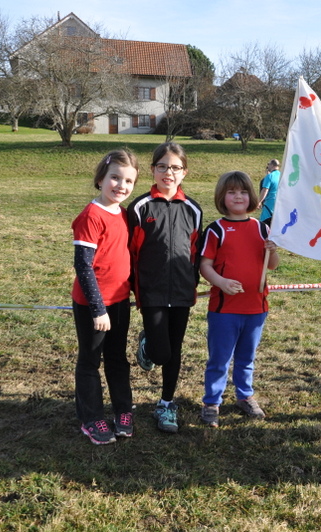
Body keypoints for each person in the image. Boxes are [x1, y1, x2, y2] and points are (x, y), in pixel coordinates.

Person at [128, 142, 204, 434]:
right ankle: (148, 342)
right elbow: (131, 251)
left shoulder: (193, 209)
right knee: (160, 353)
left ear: (184, 172)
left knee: (174, 350)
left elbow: (195, 251)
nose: (168, 173)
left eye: (175, 167)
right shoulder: (140, 207)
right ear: (153, 170)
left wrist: (192, 281)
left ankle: (167, 403)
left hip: (182, 292)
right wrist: (135, 285)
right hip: (152, 291)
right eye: (162, 166)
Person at [199, 171, 280, 428]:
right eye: (232, 192)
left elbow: (273, 265)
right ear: (222, 197)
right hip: (225, 310)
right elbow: (205, 265)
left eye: (244, 192)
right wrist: (221, 282)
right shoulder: (216, 230)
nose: (238, 196)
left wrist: (273, 250)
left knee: (247, 358)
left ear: (252, 196)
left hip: (256, 308)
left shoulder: (262, 228)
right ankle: (212, 401)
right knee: (219, 359)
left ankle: (244, 396)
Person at [72, 149, 139, 445]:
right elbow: (83, 265)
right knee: (90, 361)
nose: (121, 186)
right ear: (101, 179)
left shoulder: (124, 215)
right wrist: (98, 309)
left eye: (128, 181)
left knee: (117, 358)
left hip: (120, 301)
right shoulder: (91, 216)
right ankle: (92, 418)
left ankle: (123, 411)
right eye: (115, 178)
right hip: (93, 306)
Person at [257, 159, 280, 227]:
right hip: (279, 204)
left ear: (272, 165)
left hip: (269, 204)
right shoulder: (282, 175)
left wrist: (259, 202)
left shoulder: (270, 176)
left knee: (263, 226)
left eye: (268, 164)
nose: (268, 166)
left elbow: (265, 190)